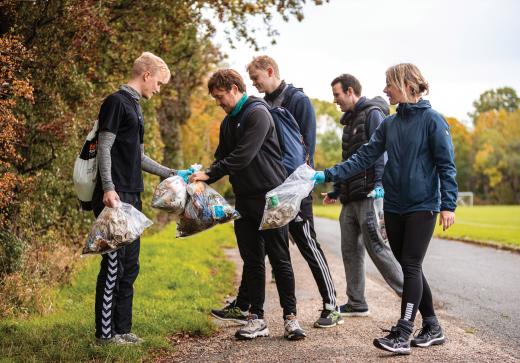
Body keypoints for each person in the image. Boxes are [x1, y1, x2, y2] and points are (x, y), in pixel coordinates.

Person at [313, 63, 457, 355]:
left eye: (389, 84)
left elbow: (446, 165)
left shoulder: (433, 121)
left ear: (406, 85)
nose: (384, 89)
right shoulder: (389, 124)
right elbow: (364, 156)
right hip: (394, 205)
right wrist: (329, 174)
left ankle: (403, 333)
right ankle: (432, 325)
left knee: (412, 264)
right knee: (408, 265)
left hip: (423, 205)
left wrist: (448, 205)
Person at [210, 55, 341, 328]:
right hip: (264, 191)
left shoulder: (297, 101)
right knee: (255, 253)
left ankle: (331, 305)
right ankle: (245, 306)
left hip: (292, 188)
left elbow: (305, 149)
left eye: (257, 79)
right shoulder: (256, 107)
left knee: (306, 245)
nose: (255, 85)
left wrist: (298, 189)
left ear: (270, 72)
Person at [190, 68, 306, 341]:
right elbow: (222, 157)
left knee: (280, 259)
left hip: (271, 198)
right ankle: (257, 319)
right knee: (252, 261)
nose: (219, 103)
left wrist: (211, 174)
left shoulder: (258, 113)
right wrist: (199, 175)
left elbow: (243, 155)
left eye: (220, 97)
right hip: (245, 200)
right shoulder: (228, 121)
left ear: (233, 88)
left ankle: (291, 318)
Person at [92, 52, 193, 345]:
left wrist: (170, 172)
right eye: (159, 83)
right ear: (146, 75)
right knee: (114, 264)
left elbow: (138, 156)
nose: (158, 90)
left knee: (130, 264)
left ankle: (122, 329)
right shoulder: (115, 102)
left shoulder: (135, 108)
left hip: (132, 194)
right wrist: (108, 188)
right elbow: (105, 148)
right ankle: (105, 334)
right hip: (115, 195)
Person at [323, 74, 403, 318]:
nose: (335, 100)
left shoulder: (373, 114)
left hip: (369, 193)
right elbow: (350, 161)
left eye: (337, 94)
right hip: (350, 196)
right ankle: (356, 302)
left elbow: (381, 154)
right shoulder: (349, 123)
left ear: (350, 91)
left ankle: (411, 295)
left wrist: (379, 185)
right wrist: (336, 190)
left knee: (377, 247)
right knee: (350, 249)